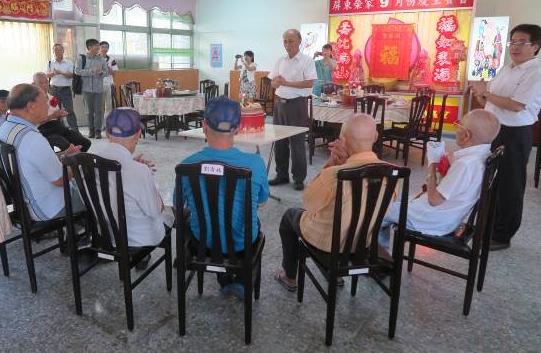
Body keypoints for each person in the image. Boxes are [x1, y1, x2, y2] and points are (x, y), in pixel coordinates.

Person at [275, 114, 388, 292]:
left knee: (290, 216)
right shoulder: (394, 174)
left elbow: (309, 202)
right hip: (362, 242)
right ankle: (334, 275)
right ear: (375, 137)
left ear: (342, 139)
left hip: (328, 243)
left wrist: (332, 163)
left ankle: (289, 275)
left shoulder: (335, 174)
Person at [177, 97, 269, 299]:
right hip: (242, 245)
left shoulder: (186, 165)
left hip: (203, 243)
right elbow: (261, 201)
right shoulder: (254, 164)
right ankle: (241, 280)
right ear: (238, 128)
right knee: (253, 220)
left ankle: (222, 277)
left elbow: (178, 203)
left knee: (188, 218)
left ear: (203, 126)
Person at [470, 24, 541, 250]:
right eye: (512, 42)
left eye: (521, 42)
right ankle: (487, 226)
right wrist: (480, 93)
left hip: (514, 134)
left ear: (535, 46)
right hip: (494, 130)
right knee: (490, 181)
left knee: (510, 186)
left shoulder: (538, 74)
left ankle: (502, 235)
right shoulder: (507, 69)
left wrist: (486, 92)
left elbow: (516, 106)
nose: (514, 47)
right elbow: (490, 102)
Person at [379, 109, 501, 247]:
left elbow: (434, 200)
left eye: (458, 125)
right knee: (391, 198)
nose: (456, 129)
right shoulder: (483, 154)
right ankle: (379, 250)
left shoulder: (465, 164)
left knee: (375, 209)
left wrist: (432, 164)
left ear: (466, 135)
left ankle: (375, 255)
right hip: (449, 216)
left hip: (433, 219)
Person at [0, 84, 83, 221]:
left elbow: (29, 162)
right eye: (44, 102)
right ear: (31, 106)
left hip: (22, 204)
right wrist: (76, 163)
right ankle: (88, 236)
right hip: (48, 207)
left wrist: (64, 154)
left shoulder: (3, 128)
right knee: (100, 190)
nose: (48, 106)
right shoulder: (32, 139)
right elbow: (61, 180)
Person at [91, 108, 174, 248]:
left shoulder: (86, 164)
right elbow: (155, 211)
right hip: (140, 238)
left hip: (107, 235)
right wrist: (146, 175)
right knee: (170, 213)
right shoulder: (139, 171)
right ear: (138, 135)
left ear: (107, 133)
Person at [268, 29, 317, 190]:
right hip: (280, 105)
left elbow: (309, 83)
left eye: (291, 41)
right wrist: (276, 83)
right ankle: (281, 174)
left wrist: (285, 83)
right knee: (280, 142)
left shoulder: (306, 61)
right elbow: (273, 81)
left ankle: (298, 178)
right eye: (285, 42)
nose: (287, 45)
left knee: (296, 143)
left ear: (299, 41)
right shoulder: (280, 60)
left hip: (296, 105)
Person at [33, 72, 91, 152]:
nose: (44, 85)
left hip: (58, 127)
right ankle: (64, 161)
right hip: (44, 130)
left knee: (86, 142)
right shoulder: (32, 102)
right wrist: (52, 116)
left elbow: (56, 115)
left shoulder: (51, 97)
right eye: (41, 83)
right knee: (68, 147)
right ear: (34, 84)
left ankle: (74, 161)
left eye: (46, 82)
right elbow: (35, 121)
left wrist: (60, 114)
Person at [75, 38, 109, 139]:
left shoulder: (101, 60)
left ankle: (98, 131)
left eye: (98, 45)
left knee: (98, 111)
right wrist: (91, 71)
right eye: (96, 45)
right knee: (89, 111)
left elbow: (107, 72)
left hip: (99, 89)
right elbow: (77, 71)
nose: (98, 47)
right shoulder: (82, 59)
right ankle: (91, 130)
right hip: (86, 89)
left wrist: (101, 72)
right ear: (89, 47)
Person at [47, 43, 78, 131]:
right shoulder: (50, 63)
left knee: (69, 111)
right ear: (53, 51)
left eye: (59, 50)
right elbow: (46, 75)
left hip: (65, 90)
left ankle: (75, 131)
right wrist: (53, 73)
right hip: (53, 90)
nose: (57, 51)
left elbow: (71, 75)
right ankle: (59, 130)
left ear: (63, 51)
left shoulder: (69, 62)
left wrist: (61, 72)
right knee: (55, 111)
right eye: (55, 50)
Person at [99, 41, 118, 127]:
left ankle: (107, 124)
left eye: (106, 47)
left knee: (109, 106)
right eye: (102, 47)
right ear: (99, 48)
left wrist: (108, 68)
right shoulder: (96, 59)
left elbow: (114, 73)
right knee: (99, 106)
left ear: (108, 49)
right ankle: (100, 125)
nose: (104, 49)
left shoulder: (111, 59)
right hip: (99, 85)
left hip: (109, 85)